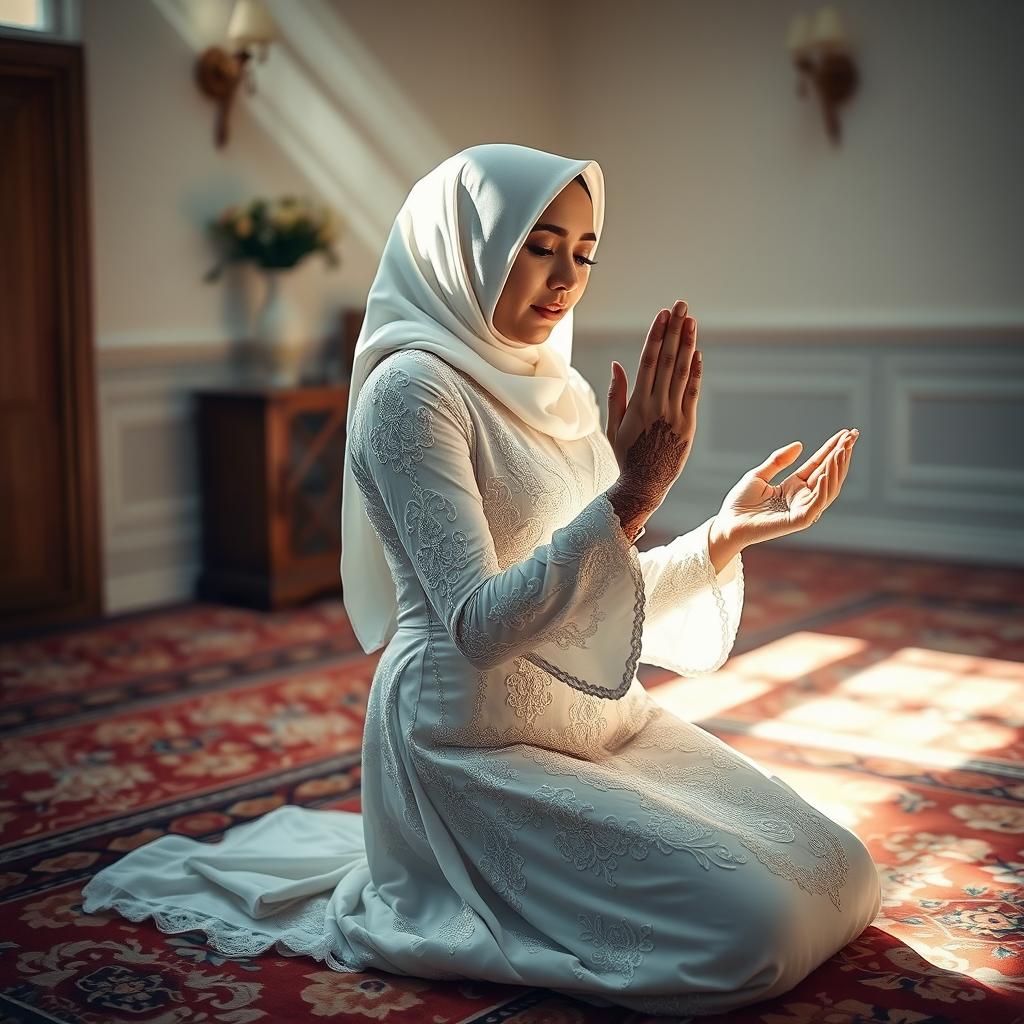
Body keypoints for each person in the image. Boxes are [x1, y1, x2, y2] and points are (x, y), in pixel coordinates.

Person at [80, 143, 879, 1017]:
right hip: (470, 743)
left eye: (583, 251)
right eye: (539, 244)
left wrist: (724, 535)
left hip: (603, 722)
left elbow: (597, 590)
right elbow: (479, 623)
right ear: (470, 245)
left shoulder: (562, 390)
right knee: (758, 934)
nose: (565, 275)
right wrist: (635, 492)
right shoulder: (411, 393)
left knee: (842, 872)